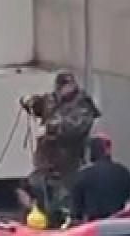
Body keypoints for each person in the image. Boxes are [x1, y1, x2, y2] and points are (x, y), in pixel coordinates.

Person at [15, 70, 101, 225]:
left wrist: (52, 128)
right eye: (61, 85)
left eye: (67, 85)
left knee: (64, 196)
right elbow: (40, 105)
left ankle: (65, 223)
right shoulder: (52, 99)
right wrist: (30, 102)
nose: (63, 89)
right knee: (30, 188)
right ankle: (36, 219)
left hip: (68, 160)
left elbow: (77, 128)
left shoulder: (83, 105)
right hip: (46, 159)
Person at [69, 133, 130, 222]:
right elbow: (126, 198)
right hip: (120, 225)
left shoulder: (83, 175)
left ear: (92, 151)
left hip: (94, 229)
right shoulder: (124, 172)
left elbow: (76, 212)